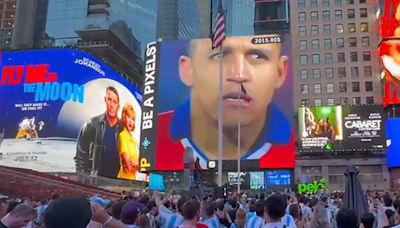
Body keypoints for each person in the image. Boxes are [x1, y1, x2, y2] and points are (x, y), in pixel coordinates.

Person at [155, 34, 295, 169]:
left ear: (280, 72)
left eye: (257, 56)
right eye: (220, 55)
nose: (239, 75)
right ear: (187, 69)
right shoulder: (153, 139)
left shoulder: (293, 145)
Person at [75, 86, 122, 178]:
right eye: (109, 99)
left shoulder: (122, 129)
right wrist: (84, 180)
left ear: (118, 106)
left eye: (115, 102)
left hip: (116, 182)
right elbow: (80, 158)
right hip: (95, 180)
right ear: (105, 100)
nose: (111, 105)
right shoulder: (91, 124)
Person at [117, 103, 140, 180]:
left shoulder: (134, 140)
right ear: (124, 117)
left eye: (133, 119)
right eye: (128, 117)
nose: (131, 121)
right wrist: (138, 165)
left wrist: (137, 164)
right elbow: (128, 166)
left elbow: (142, 167)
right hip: (123, 180)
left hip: (133, 180)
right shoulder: (122, 136)